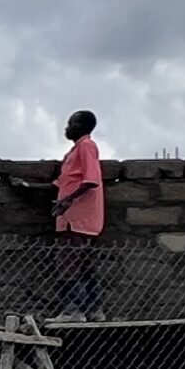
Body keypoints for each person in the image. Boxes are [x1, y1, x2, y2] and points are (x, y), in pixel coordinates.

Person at [49, 108, 106, 320]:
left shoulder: (86, 146)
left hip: (77, 218)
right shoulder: (75, 152)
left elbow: (91, 179)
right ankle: (93, 309)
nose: (67, 127)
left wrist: (67, 200)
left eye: (71, 123)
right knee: (85, 266)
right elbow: (65, 182)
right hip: (77, 219)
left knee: (68, 264)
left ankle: (73, 309)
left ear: (81, 126)